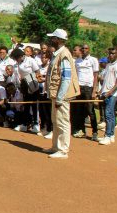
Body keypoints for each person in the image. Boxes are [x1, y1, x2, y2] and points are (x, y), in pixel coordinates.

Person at [45, 28, 80, 159]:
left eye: (53, 38)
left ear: (58, 40)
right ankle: (55, 146)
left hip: (62, 96)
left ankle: (63, 150)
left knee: (63, 122)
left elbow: (66, 78)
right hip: (56, 95)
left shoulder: (64, 54)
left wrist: (60, 97)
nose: (51, 40)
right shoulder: (57, 54)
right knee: (56, 121)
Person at [98, 48, 117, 146]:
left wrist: (109, 92)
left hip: (113, 94)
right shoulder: (108, 65)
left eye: (113, 53)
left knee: (108, 114)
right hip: (105, 92)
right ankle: (111, 135)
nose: (110, 55)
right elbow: (105, 81)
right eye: (109, 53)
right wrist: (101, 91)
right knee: (110, 115)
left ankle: (107, 136)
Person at [10, 47, 41, 133]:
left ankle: (36, 124)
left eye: (16, 58)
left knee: (34, 104)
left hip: (32, 82)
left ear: (20, 56)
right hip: (24, 83)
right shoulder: (18, 63)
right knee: (26, 105)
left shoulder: (31, 60)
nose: (16, 60)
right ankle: (25, 124)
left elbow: (37, 72)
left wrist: (35, 83)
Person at [73, 44, 100, 141]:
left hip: (89, 88)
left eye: (86, 48)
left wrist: (94, 91)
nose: (84, 50)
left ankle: (95, 132)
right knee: (79, 110)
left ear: (89, 50)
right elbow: (75, 75)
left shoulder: (93, 60)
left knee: (90, 111)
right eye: (82, 49)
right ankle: (82, 131)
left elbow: (96, 76)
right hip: (79, 88)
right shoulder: (77, 61)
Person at [37, 53, 53, 139]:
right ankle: (47, 128)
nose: (43, 59)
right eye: (42, 57)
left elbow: (49, 78)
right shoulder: (39, 67)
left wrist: (43, 78)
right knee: (44, 112)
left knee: (50, 112)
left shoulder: (50, 66)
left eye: (45, 57)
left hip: (50, 92)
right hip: (43, 91)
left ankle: (52, 130)